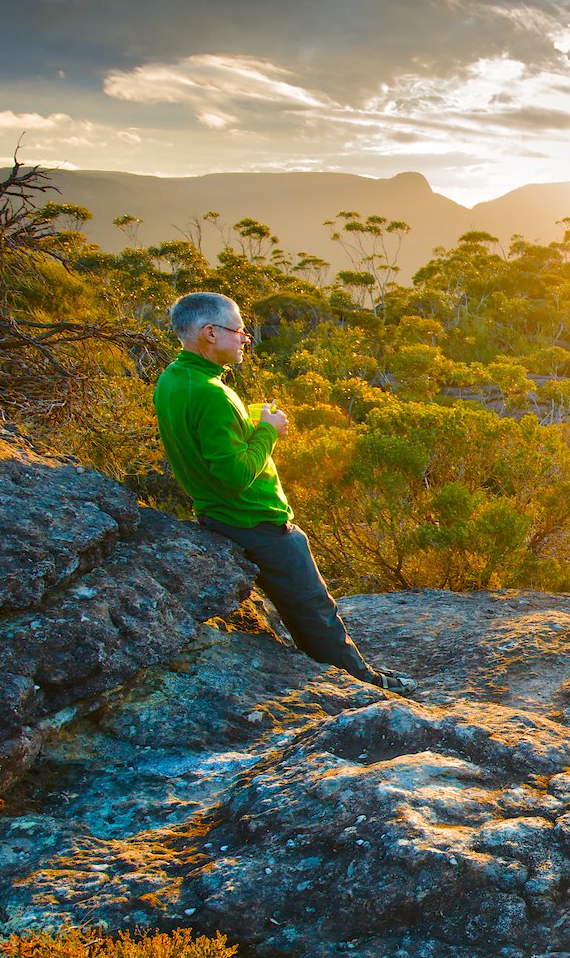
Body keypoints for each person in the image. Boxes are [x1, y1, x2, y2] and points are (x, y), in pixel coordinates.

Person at [153, 291, 416, 694]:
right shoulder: (211, 392)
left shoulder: (174, 379)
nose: (245, 339)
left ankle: (353, 670)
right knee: (314, 610)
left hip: (217, 515)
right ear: (210, 333)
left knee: (305, 608)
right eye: (239, 330)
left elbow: (201, 438)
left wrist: (248, 417)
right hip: (254, 518)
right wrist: (267, 432)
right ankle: (363, 683)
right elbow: (234, 474)